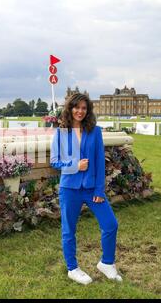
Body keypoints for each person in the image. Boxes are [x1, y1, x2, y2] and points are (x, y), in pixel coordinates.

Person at [50, 93, 122, 285]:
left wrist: (99, 190)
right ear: (70, 108)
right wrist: (75, 165)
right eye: (76, 107)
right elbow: (55, 162)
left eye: (84, 108)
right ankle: (72, 268)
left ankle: (107, 263)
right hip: (69, 189)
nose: (80, 111)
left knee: (110, 224)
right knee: (68, 230)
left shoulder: (95, 131)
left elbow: (99, 162)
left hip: (92, 189)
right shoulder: (60, 133)